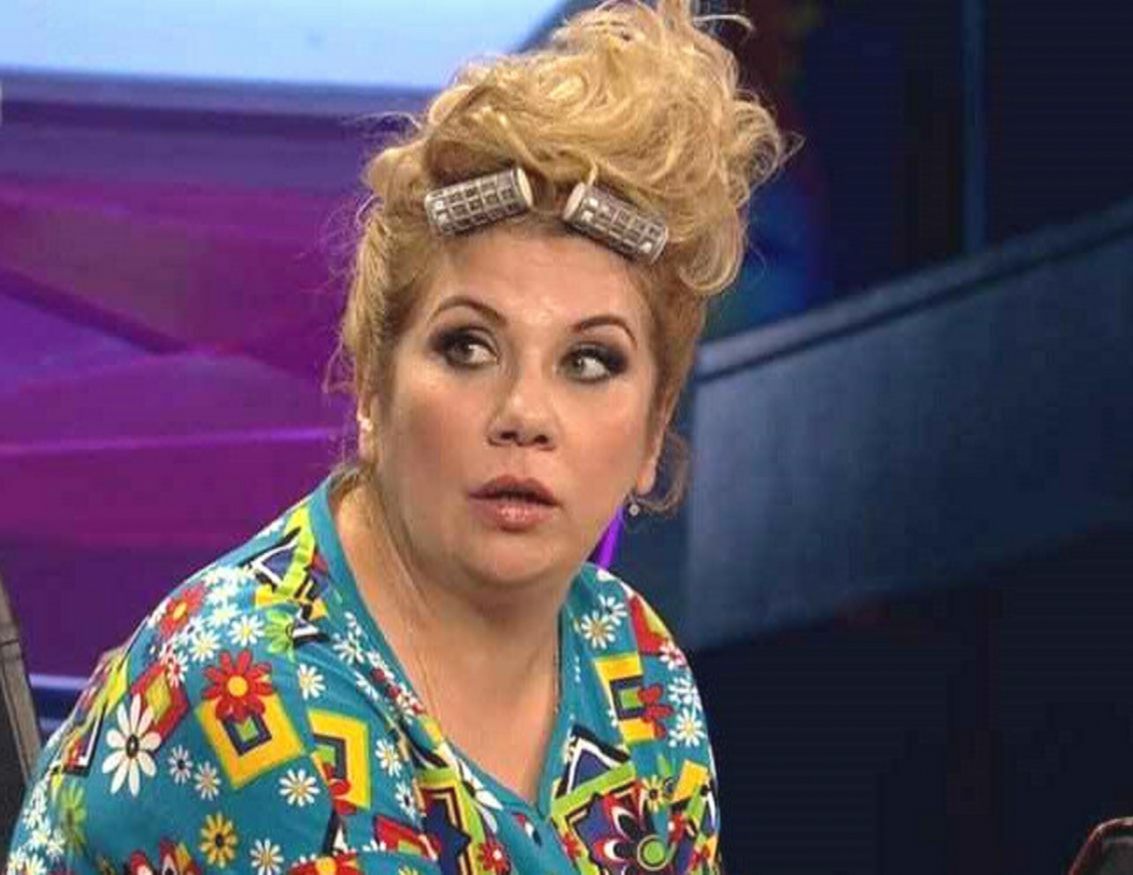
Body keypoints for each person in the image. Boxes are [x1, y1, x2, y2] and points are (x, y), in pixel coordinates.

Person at [6, 1, 784, 872]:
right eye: (467, 347)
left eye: (590, 361)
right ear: (372, 385)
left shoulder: (635, 666)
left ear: (652, 431)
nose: (523, 412)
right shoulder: (248, 693)